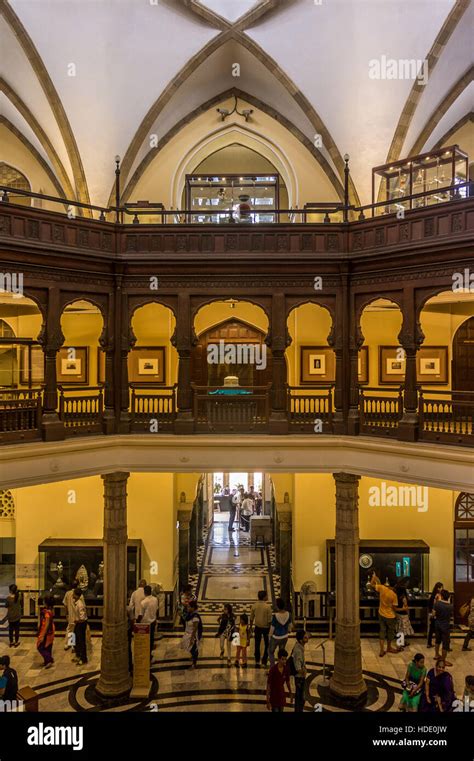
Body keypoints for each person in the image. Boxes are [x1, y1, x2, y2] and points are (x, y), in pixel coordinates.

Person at [370, 572, 400, 657]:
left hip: (381, 613)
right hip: (390, 616)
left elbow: (371, 585)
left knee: (382, 631)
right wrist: (403, 609)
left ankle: (381, 650)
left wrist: (374, 577)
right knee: (390, 632)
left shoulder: (382, 588)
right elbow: (394, 608)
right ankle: (389, 647)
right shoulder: (394, 595)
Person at [250, 590, 272, 667]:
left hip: (257, 627)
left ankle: (257, 660)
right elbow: (269, 620)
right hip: (266, 628)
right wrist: (271, 630)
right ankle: (264, 660)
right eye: (267, 595)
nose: (268, 597)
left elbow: (251, 618)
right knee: (267, 644)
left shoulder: (254, 605)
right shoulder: (267, 607)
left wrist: (250, 627)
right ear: (264, 597)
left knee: (257, 644)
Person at [269, 598, 292, 667]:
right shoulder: (288, 614)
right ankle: (281, 666)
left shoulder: (275, 616)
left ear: (277, 606)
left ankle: (272, 667)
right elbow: (290, 626)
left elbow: (272, 628)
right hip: (285, 636)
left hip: (276, 637)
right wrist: (288, 631)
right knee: (281, 653)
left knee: (271, 651)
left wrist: (270, 636)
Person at [181, 600, 203, 669]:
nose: (188, 608)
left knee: (193, 649)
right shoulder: (190, 614)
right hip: (188, 633)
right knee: (189, 647)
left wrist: (192, 638)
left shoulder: (195, 617)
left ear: (193, 608)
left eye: (189, 607)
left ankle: (194, 663)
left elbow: (195, 629)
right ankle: (193, 657)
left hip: (193, 635)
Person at [137, 585, 159, 655]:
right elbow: (157, 610)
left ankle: (146, 654)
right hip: (153, 621)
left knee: (145, 640)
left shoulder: (143, 602)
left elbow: (141, 614)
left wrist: (137, 622)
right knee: (151, 638)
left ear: (144, 592)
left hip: (145, 623)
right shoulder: (155, 599)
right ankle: (150, 652)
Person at [434, 589, 453, 667]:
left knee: (437, 640)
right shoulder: (450, 606)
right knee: (445, 643)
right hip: (445, 625)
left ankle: (436, 654)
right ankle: (443, 660)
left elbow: (433, 613)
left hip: (437, 623)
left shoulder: (437, 604)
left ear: (441, 596)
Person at [291, 629, 308, 712]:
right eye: (305, 637)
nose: (307, 638)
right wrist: (304, 671)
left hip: (301, 677)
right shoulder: (298, 651)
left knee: (301, 698)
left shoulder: (300, 646)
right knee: (300, 699)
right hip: (299, 678)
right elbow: (297, 668)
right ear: (301, 640)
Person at [36, 595, 55, 669]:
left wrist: (42, 635)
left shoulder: (47, 613)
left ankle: (49, 660)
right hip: (51, 630)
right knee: (48, 646)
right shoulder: (51, 610)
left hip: (47, 631)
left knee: (40, 647)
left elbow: (46, 625)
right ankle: (46, 661)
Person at [62, 580, 82, 651]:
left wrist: (66, 613)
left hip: (70, 614)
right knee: (74, 630)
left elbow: (65, 604)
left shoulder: (68, 593)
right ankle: (72, 645)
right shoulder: (80, 594)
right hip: (77, 616)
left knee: (70, 629)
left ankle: (68, 644)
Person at [394, 581, 414, 648]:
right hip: (403, 615)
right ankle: (402, 642)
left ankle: (400, 642)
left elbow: (395, 608)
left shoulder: (396, 597)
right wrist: (407, 613)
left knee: (399, 629)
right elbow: (406, 608)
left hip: (397, 614)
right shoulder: (404, 598)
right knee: (403, 629)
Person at [72, 588, 88, 665]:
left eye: (74, 593)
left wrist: (77, 621)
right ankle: (78, 654)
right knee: (75, 638)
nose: (72, 595)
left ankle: (83, 658)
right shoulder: (76, 602)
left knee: (81, 641)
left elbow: (82, 617)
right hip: (78, 623)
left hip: (81, 624)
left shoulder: (80, 604)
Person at [427, 582, 443, 648]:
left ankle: (429, 643)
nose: (441, 589)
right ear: (437, 588)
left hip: (433, 613)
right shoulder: (437, 596)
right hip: (436, 614)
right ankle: (436, 643)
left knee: (432, 629)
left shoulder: (433, 595)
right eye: (440, 587)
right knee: (436, 629)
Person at [5, 584, 21, 649]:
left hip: (10, 616)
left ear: (10, 591)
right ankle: (16, 642)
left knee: (10, 630)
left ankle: (11, 642)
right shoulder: (19, 597)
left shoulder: (8, 598)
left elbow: (6, 606)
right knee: (17, 629)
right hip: (17, 615)